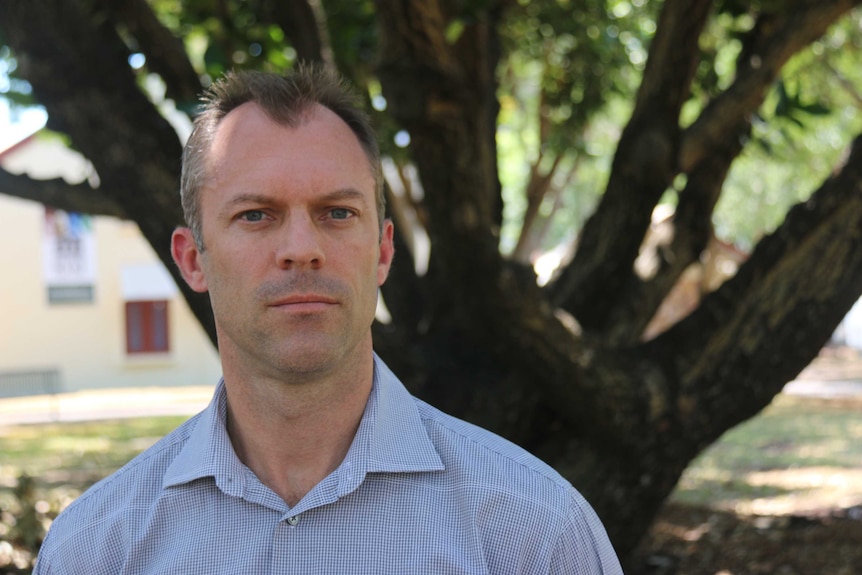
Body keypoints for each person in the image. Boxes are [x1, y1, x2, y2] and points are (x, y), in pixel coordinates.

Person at [34, 66, 623, 574]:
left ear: (384, 252)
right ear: (193, 260)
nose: (301, 247)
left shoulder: (538, 533)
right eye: (257, 215)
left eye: (337, 212)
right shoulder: (95, 551)